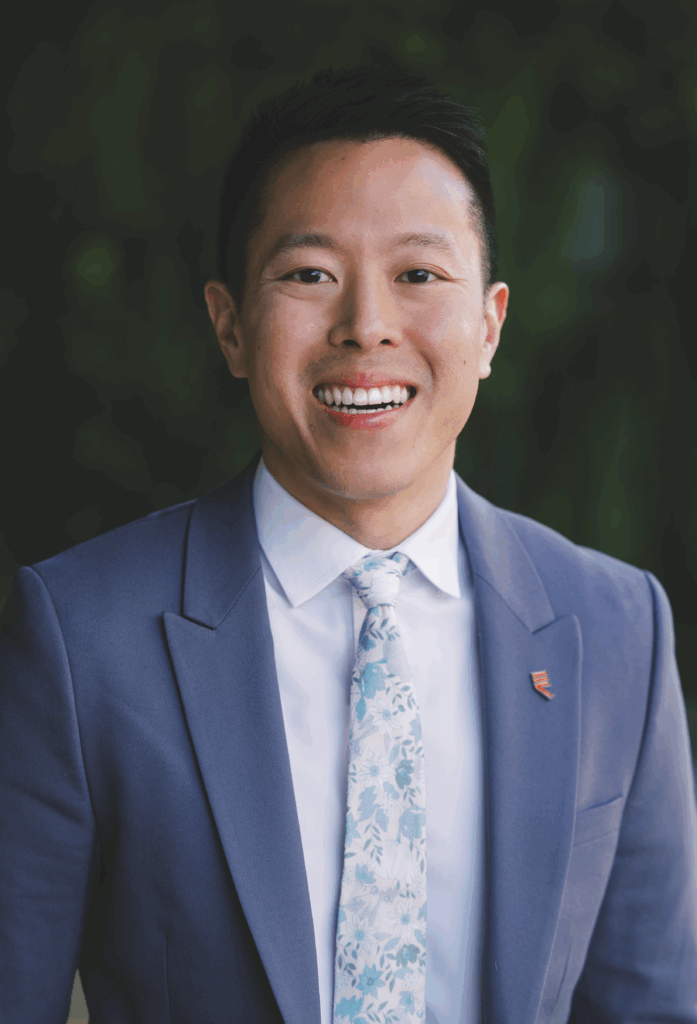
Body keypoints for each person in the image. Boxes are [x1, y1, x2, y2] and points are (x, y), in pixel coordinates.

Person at [1, 65, 695, 1024]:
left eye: (418, 275)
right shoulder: (83, 636)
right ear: (230, 324)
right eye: (309, 275)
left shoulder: (617, 627)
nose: (366, 326)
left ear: (490, 325)